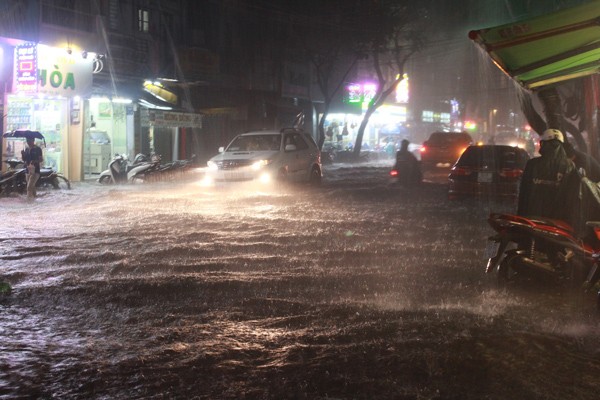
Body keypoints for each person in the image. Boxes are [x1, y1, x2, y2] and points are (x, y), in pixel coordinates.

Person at [517, 129, 577, 221]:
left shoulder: (532, 164)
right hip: (560, 220)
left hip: (534, 217)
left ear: (543, 144)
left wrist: (521, 217)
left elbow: (524, 192)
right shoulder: (569, 165)